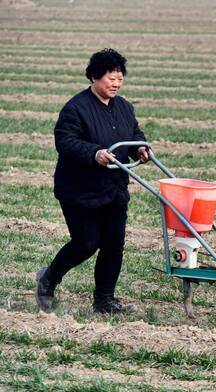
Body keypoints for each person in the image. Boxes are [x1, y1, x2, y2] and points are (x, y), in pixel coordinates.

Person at [35, 48, 149, 314]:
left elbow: (133, 132)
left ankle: (104, 300)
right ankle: (48, 279)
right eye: (111, 77)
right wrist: (94, 153)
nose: (116, 83)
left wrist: (141, 148)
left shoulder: (123, 107)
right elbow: (66, 141)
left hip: (114, 187)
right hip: (79, 189)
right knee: (86, 243)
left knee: (113, 244)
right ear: (95, 77)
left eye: (120, 78)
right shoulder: (76, 108)